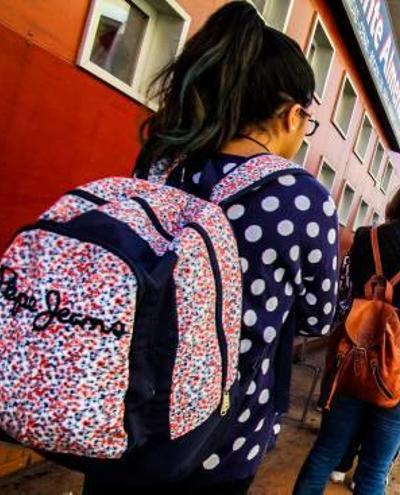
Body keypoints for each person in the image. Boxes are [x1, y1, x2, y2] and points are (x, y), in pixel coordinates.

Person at [82, 3, 339, 494]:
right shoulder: (304, 199)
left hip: (124, 412)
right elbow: (317, 319)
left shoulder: (161, 163)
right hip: (220, 438)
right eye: (308, 119)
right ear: (290, 114)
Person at [293, 170, 400, 495]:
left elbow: (348, 292)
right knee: (374, 471)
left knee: (325, 453)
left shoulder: (365, 237)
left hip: (353, 360)